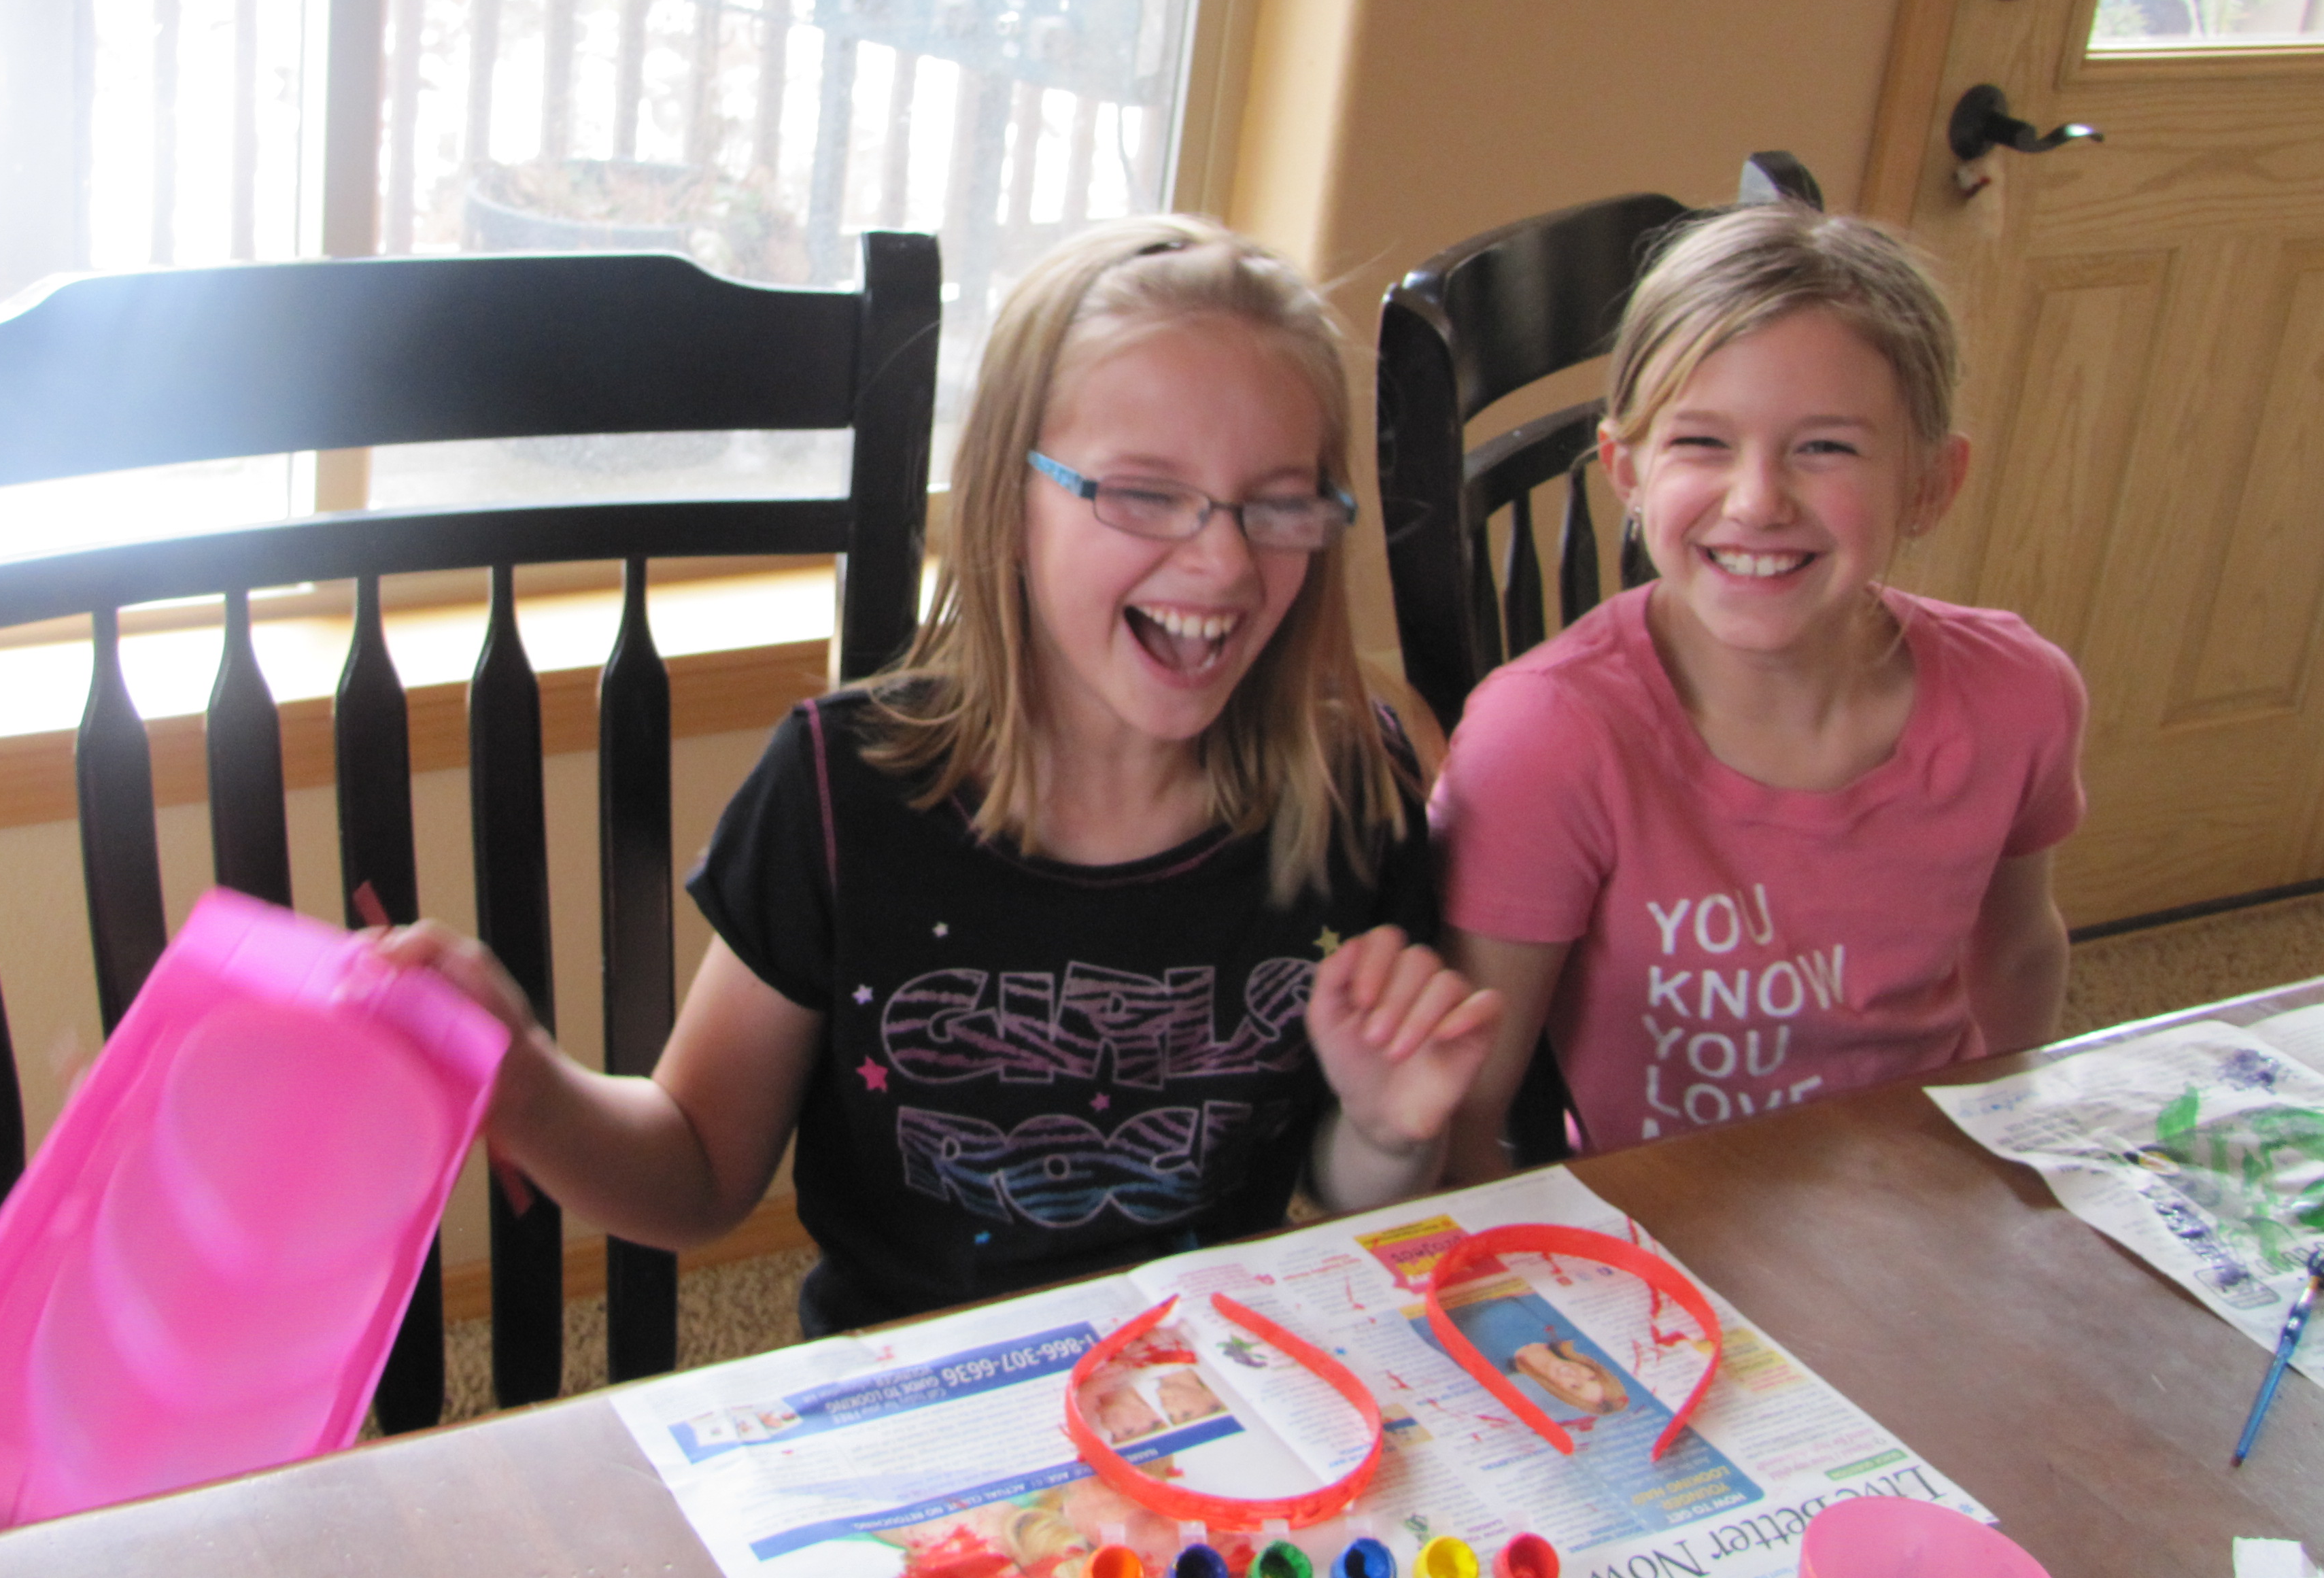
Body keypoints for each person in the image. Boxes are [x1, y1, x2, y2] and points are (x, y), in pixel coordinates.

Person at [378, 216, 1499, 1331]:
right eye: (1143, 493)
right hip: (912, 1393)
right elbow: (699, 1173)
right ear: (1009, 506)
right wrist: (529, 1085)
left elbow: (1341, 1187)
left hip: (1206, 1382)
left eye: (1279, 503)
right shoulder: (842, 790)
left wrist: (1387, 1133)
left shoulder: (1352, 796)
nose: (1223, 560)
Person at [1435, 203, 2084, 1175]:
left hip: (1924, 1185)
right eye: (1702, 443)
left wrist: (2009, 1163)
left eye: (1826, 448)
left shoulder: (2018, 697)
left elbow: (2021, 951)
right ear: (1626, 470)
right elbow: (1470, 1100)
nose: (1757, 501)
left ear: (1930, 484)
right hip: (1673, 1220)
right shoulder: (1544, 741)